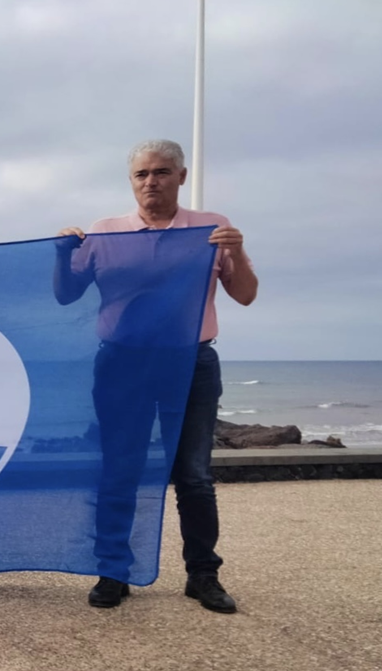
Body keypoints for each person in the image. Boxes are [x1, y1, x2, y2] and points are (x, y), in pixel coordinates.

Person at [54, 139, 258, 613]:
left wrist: (239, 252)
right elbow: (67, 295)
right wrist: (63, 254)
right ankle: (112, 572)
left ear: (181, 177)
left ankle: (203, 575)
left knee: (194, 476)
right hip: (122, 363)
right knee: (119, 469)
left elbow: (245, 295)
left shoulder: (212, 228)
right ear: (131, 182)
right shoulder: (106, 233)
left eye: (162, 172)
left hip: (191, 363)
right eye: (142, 174)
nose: (152, 182)